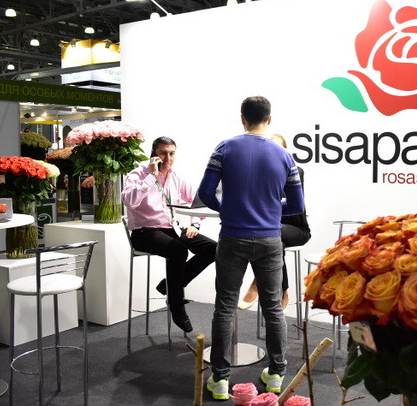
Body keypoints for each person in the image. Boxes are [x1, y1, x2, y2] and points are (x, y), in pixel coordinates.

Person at [198, 96, 305, 400]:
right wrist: (269, 210)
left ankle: (220, 380)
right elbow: (297, 205)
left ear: (242, 119)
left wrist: (227, 208)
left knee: (224, 307)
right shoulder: (285, 156)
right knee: (273, 308)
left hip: (232, 237)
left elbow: (205, 193)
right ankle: (276, 375)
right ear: (269, 120)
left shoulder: (224, 148)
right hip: (270, 240)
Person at [121, 136, 217, 333]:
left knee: (214, 249)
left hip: (172, 229)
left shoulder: (176, 178)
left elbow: (196, 203)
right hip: (144, 231)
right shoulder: (138, 174)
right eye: (162, 153)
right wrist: (152, 176)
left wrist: (194, 224)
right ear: (153, 155)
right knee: (178, 250)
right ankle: (176, 304)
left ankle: (169, 286)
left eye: (171, 153)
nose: (168, 158)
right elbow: (129, 201)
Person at [238, 133, 311, 310]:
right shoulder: (258, 175)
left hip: (297, 229)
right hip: (271, 229)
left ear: (286, 151)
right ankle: (282, 291)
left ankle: (258, 282)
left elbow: (287, 202)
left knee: (271, 235)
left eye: (279, 148)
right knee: (268, 240)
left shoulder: (296, 171)